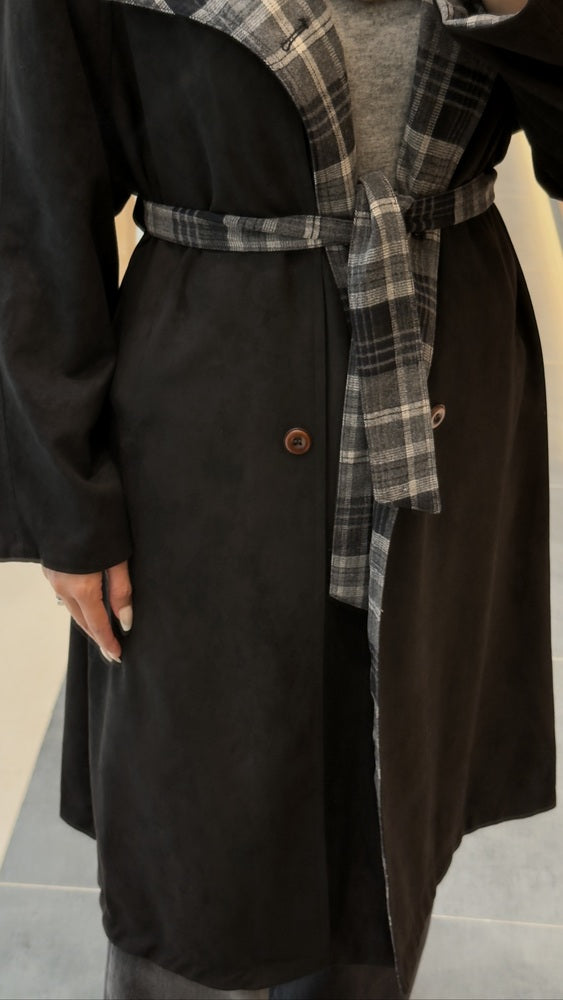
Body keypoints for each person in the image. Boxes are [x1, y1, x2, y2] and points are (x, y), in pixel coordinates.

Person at [0, 0, 560, 997]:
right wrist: (67, 500)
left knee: (383, 832)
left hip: (439, 389)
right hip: (203, 430)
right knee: (189, 863)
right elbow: (32, 202)